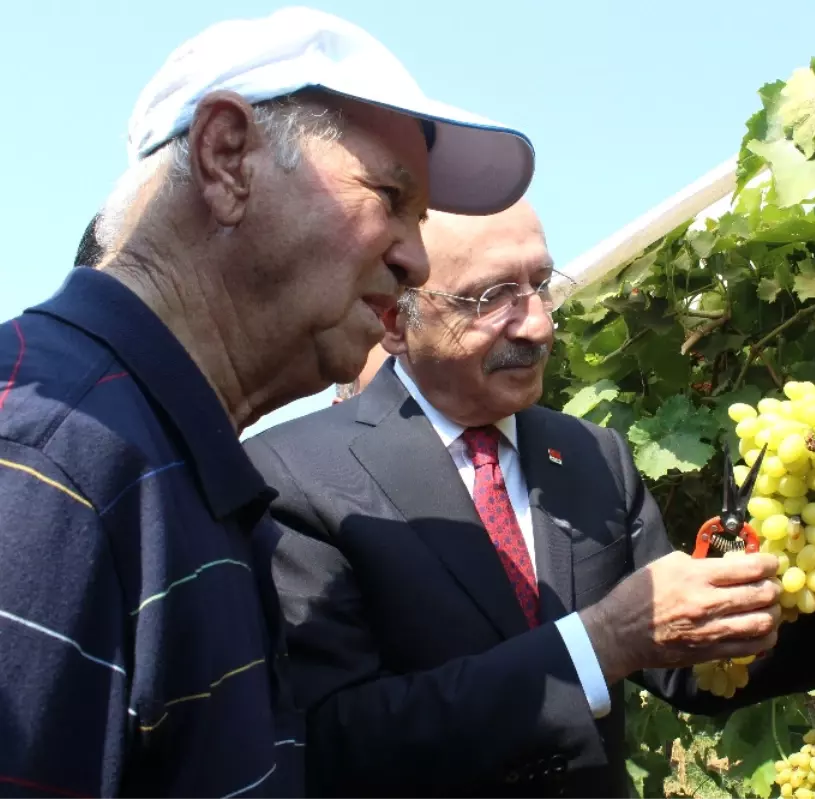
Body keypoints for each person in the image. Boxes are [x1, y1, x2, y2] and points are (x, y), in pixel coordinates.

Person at [0, 7, 534, 798]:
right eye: (390, 196)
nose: (417, 261)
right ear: (226, 158)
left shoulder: (172, 461)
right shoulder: (49, 459)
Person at [244, 200, 815, 798]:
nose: (538, 326)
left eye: (540, 285)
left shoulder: (593, 455)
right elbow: (336, 742)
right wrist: (599, 643)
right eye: (492, 297)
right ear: (396, 320)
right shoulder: (295, 475)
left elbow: (699, 673)